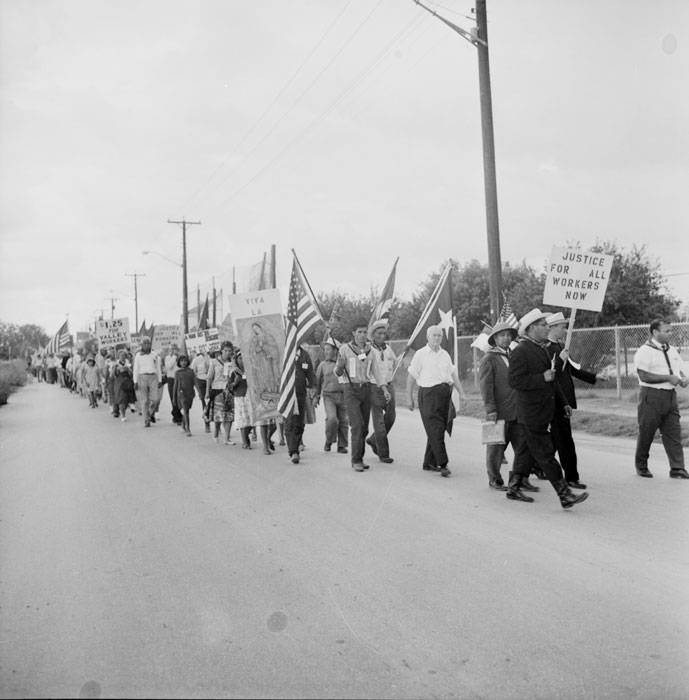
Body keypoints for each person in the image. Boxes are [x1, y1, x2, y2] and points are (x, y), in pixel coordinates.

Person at [508, 309, 588, 508]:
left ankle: (514, 487)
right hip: (531, 412)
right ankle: (564, 493)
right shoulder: (521, 351)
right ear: (531, 328)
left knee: (526, 451)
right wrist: (540, 378)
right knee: (545, 453)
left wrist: (563, 403)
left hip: (544, 409)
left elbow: (552, 380)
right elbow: (515, 380)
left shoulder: (541, 349)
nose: (546, 328)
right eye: (543, 325)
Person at [478, 320, 540, 493]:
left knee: (523, 447)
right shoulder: (489, 358)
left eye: (508, 335)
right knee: (496, 447)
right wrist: (490, 409)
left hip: (519, 410)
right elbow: (486, 387)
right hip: (500, 411)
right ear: (495, 339)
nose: (506, 339)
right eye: (502, 335)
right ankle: (495, 480)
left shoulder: (514, 354)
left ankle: (521, 478)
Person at [546, 312, 598, 489]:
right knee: (564, 439)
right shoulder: (546, 348)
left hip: (565, 398)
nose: (565, 330)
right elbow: (552, 373)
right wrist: (560, 360)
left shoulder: (561, 346)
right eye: (562, 326)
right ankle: (571, 477)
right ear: (552, 328)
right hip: (555, 399)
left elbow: (573, 370)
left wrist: (595, 378)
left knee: (554, 438)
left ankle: (532, 467)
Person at [633, 318, 689, 479]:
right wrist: (667, 378)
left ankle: (677, 468)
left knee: (673, 432)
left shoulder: (672, 350)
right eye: (667, 331)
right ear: (655, 332)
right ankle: (641, 466)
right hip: (651, 395)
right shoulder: (645, 350)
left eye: (671, 330)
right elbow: (643, 375)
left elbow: (679, 370)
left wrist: (684, 378)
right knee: (647, 432)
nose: (670, 334)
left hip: (670, 396)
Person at [407, 325, 463, 478]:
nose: (437, 338)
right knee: (436, 429)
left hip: (444, 394)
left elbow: (453, 375)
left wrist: (461, 392)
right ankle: (442, 463)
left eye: (439, 335)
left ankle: (429, 462)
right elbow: (411, 377)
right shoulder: (420, 354)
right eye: (434, 335)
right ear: (428, 337)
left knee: (439, 428)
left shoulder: (445, 354)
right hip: (428, 395)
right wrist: (409, 398)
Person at [334, 321, 373, 472]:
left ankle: (360, 458)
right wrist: (339, 366)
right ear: (354, 334)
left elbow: (374, 370)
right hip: (351, 389)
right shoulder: (345, 349)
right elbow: (337, 373)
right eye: (359, 332)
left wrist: (383, 387)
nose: (362, 335)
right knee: (356, 425)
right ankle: (355, 460)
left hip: (366, 388)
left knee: (364, 428)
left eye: (365, 332)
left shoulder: (370, 350)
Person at [366, 320, 396, 464]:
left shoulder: (388, 349)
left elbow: (394, 362)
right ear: (373, 335)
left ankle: (373, 440)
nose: (382, 336)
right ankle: (383, 453)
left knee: (391, 417)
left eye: (384, 333)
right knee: (379, 422)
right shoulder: (368, 350)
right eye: (379, 333)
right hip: (374, 387)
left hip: (389, 386)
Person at [284, 345, 317, 463]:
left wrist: (314, 388)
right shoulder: (284, 352)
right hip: (286, 393)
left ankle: (296, 445)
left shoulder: (304, 355)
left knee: (299, 422)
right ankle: (293, 451)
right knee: (289, 422)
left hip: (300, 392)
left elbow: (310, 373)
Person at [315, 340, 348, 453]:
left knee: (343, 421)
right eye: (325, 350)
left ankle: (342, 445)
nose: (326, 352)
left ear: (335, 350)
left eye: (328, 349)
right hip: (328, 396)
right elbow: (317, 382)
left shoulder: (343, 363)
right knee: (332, 419)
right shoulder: (322, 365)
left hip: (343, 395)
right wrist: (316, 396)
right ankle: (329, 440)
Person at [206, 343, 236, 445]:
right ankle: (216, 432)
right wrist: (207, 391)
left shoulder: (232, 363)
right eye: (226, 350)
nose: (228, 352)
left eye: (229, 351)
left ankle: (227, 438)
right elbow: (209, 377)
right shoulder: (214, 362)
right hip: (217, 390)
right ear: (222, 351)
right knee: (219, 415)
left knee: (229, 415)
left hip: (229, 390)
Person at [133, 336, 162, 427]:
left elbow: (158, 368)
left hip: (153, 377)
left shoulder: (154, 355)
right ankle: (146, 420)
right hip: (142, 377)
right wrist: (135, 381)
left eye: (148, 343)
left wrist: (160, 379)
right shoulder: (138, 355)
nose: (146, 345)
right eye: (144, 343)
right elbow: (135, 369)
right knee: (144, 400)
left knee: (156, 399)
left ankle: (150, 413)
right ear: (142, 345)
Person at [228, 349, 254, 448]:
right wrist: (235, 382)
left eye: (244, 358)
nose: (242, 360)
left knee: (252, 420)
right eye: (240, 358)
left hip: (250, 396)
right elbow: (229, 387)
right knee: (243, 420)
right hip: (240, 397)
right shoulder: (234, 372)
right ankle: (245, 442)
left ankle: (247, 437)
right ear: (236, 360)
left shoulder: (251, 369)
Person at [173, 355, 196, 436]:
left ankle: (183, 425)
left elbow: (195, 382)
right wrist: (174, 398)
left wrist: (200, 393)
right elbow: (175, 386)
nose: (183, 362)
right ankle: (188, 429)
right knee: (186, 411)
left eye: (185, 361)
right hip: (182, 394)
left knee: (187, 410)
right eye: (181, 361)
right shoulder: (177, 373)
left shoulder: (191, 371)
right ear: (179, 362)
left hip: (190, 394)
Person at [191, 349, 211, 433]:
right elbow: (194, 372)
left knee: (213, 402)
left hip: (210, 381)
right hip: (201, 381)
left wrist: (207, 357)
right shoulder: (196, 360)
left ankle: (218, 424)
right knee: (204, 402)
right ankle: (207, 423)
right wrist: (197, 386)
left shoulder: (211, 358)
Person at [112, 350, 136, 421]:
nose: (122, 357)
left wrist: (128, 369)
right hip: (119, 383)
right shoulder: (116, 364)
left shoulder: (128, 364)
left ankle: (126, 408)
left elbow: (132, 374)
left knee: (126, 399)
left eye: (124, 355)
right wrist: (116, 369)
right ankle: (123, 415)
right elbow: (113, 375)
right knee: (121, 399)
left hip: (127, 383)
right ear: (118, 356)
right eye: (121, 355)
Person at [164, 345, 183, 425]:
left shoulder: (180, 358)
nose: (173, 350)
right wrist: (174, 357)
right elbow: (169, 366)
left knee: (179, 397)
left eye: (175, 349)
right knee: (173, 397)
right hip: (171, 379)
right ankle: (177, 416)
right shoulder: (168, 358)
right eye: (172, 349)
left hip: (179, 379)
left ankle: (175, 413)